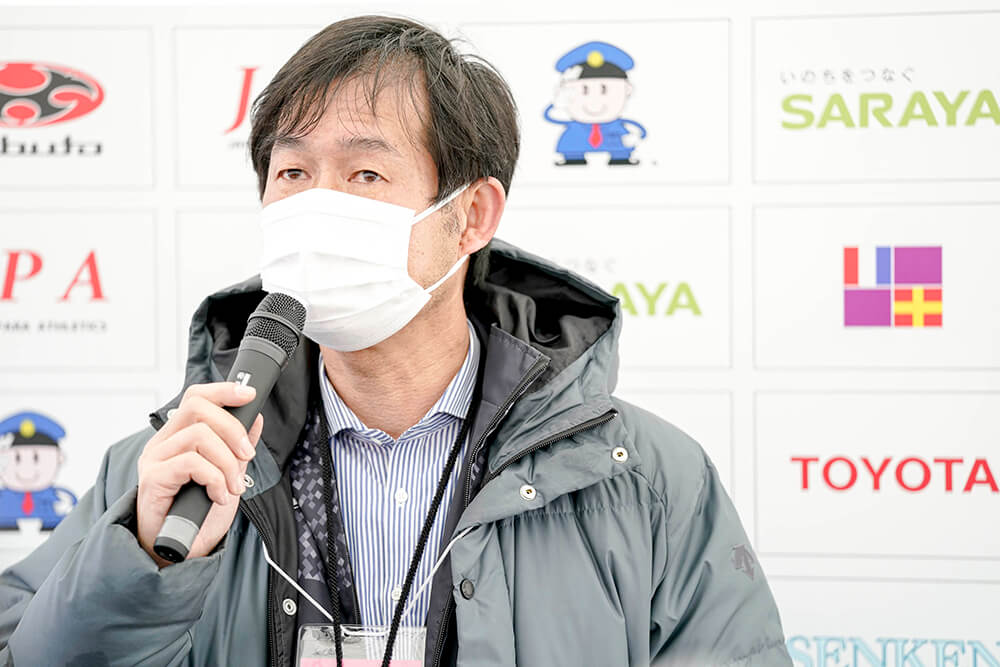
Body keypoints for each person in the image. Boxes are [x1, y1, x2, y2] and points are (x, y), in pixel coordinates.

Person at [0, 15, 791, 667]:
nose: (317, 206)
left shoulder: (643, 481)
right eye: (293, 172)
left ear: (471, 216)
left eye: (365, 175)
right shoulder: (173, 468)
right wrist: (142, 561)